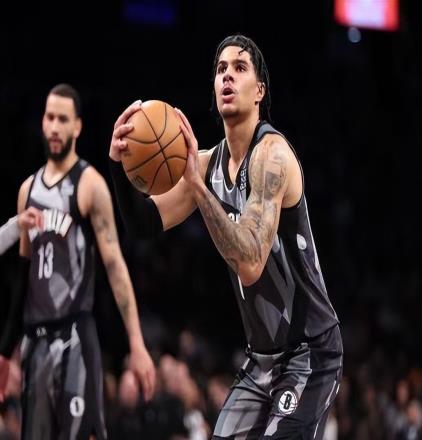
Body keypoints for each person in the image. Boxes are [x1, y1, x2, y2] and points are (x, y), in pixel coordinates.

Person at [109, 34, 343, 439]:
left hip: (310, 351)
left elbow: (250, 263)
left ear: (260, 91)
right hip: (262, 358)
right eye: (221, 70)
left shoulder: (272, 156)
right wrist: (118, 166)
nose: (228, 77)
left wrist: (197, 189)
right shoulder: (207, 164)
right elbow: (142, 226)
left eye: (239, 68)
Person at [0, 83, 156, 440]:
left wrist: (136, 342)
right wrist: (6, 351)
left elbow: (115, 265)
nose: (55, 126)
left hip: (75, 335)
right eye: (49, 117)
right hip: (35, 340)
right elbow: (22, 277)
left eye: (63, 119)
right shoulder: (27, 191)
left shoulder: (90, 185)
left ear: (77, 126)